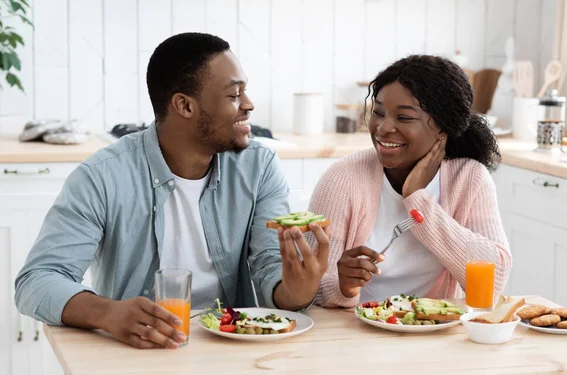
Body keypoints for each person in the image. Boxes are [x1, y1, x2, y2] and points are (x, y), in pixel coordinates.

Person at [14, 32, 329, 349]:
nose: (249, 105)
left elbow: (271, 269)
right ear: (184, 106)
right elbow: (37, 281)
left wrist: (298, 289)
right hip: (139, 349)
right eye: (234, 95)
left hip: (233, 347)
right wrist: (108, 313)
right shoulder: (102, 177)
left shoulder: (258, 168)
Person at [311, 55, 512, 307]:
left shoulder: (469, 179)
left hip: (435, 332)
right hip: (355, 334)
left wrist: (418, 199)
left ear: (442, 127)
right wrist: (341, 286)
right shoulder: (343, 179)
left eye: (404, 118)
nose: (383, 128)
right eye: (378, 112)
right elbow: (309, 290)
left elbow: (493, 282)